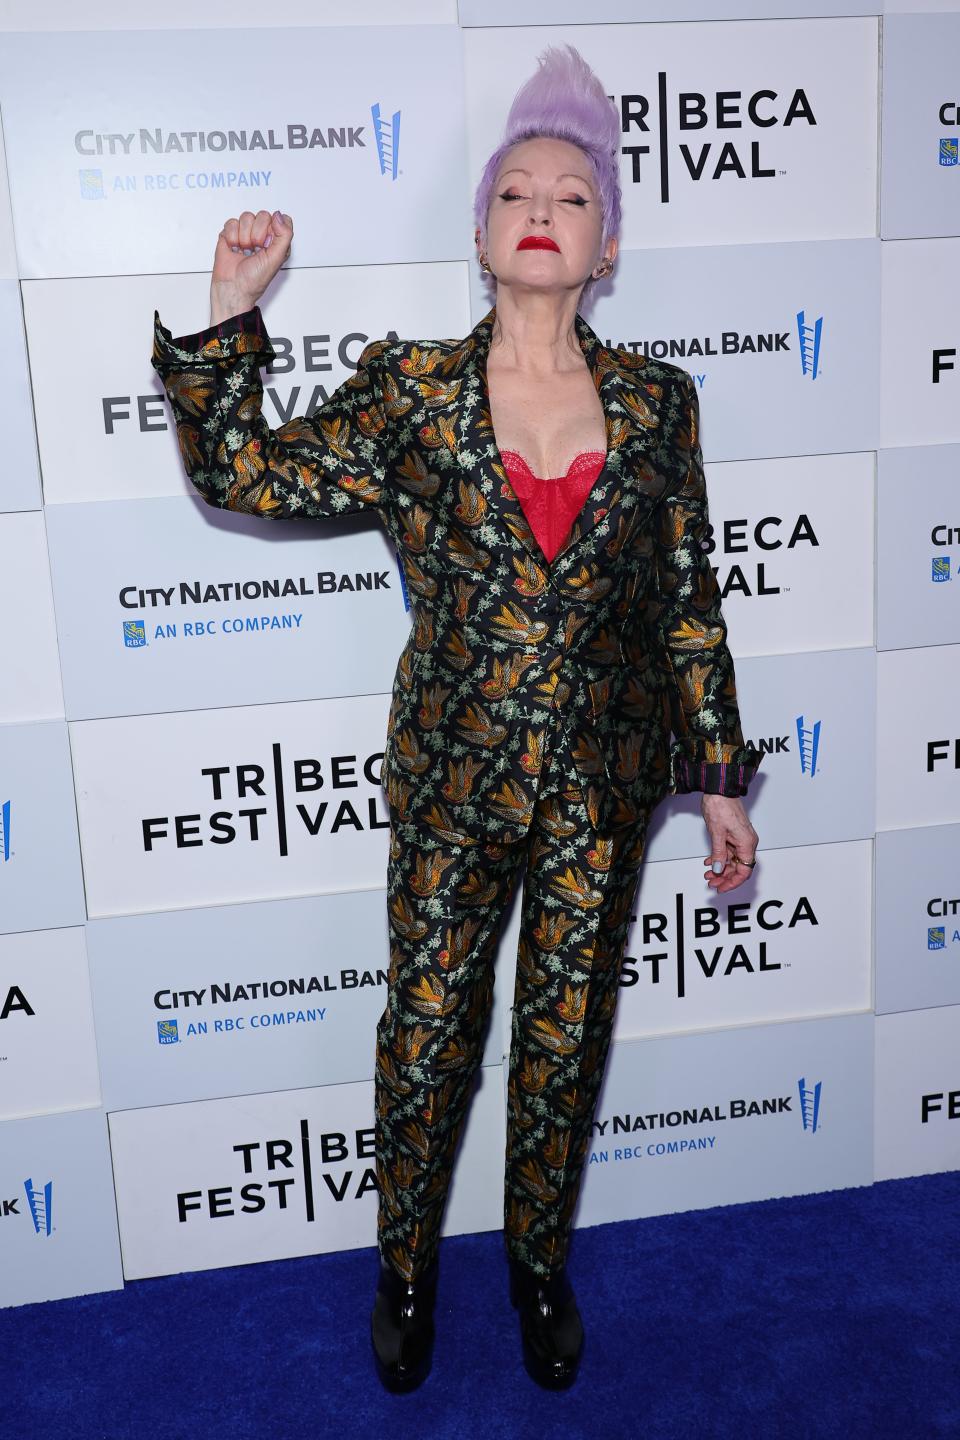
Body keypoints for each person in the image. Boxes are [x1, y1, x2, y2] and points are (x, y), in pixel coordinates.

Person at [151, 43, 762, 1395]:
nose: (543, 206)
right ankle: (409, 1268)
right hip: (451, 784)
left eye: (574, 194)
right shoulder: (412, 390)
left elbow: (688, 600)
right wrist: (225, 315)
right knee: (427, 1036)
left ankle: (538, 1263)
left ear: (607, 245)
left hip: (604, 791)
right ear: (482, 231)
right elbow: (250, 473)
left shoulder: (662, 404)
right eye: (515, 191)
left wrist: (719, 777)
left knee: (562, 1042)